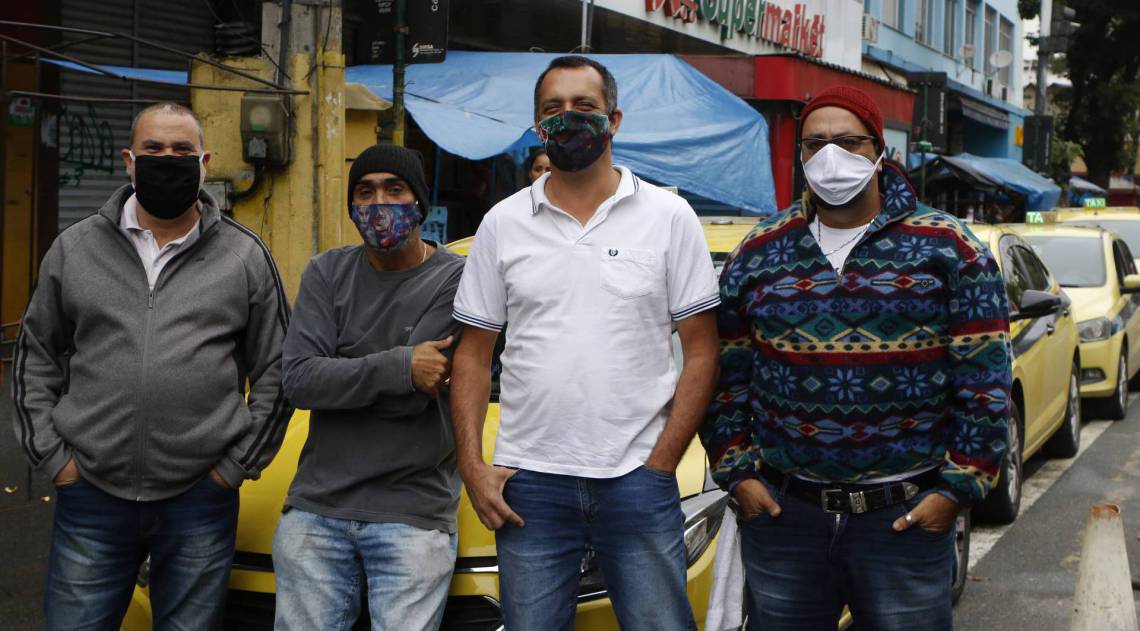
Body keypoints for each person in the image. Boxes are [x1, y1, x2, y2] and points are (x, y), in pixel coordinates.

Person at [701, 85, 1012, 631]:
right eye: (814, 144)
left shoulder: (951, 248)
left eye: (847, 142)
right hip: (784, 517)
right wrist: (738, 474)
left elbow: (984, 384)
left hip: (904, 520)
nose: (829, 157)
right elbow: (726, 379)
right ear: (799, 156)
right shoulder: (761, 249)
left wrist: (956, 492)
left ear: (880, 150)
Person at [450, 55, 720, 630]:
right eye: (553, 109)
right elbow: (472, 355)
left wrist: (662, 461)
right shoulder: (502, 223)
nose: (569, 118)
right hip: (530, 485)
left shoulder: (669, 217)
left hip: (637, 479)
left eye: (585, 107)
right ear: (537, 125)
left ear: (614, 120)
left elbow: (701, 351)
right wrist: (473, 465)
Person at [11, 101, 292, 630]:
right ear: (128, 161)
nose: (168, 160)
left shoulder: (245, 256)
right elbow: (36, 356)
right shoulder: (75, 249)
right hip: (90, 494)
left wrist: (230, 470)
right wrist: (56, 460)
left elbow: (280, 369)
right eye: (154, 150)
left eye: (182, 151)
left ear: (204, 161)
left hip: (199, 501)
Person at [273, 144, 465, 631]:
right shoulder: (326, 272)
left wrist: (344, 371)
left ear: (420, 201)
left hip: (412, 512)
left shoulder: (456, 279)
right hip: (317, 506)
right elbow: (298, 380)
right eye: (365, 191)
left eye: (394, 189)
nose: (379, 203)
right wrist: (400, 366)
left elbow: (431, 380)